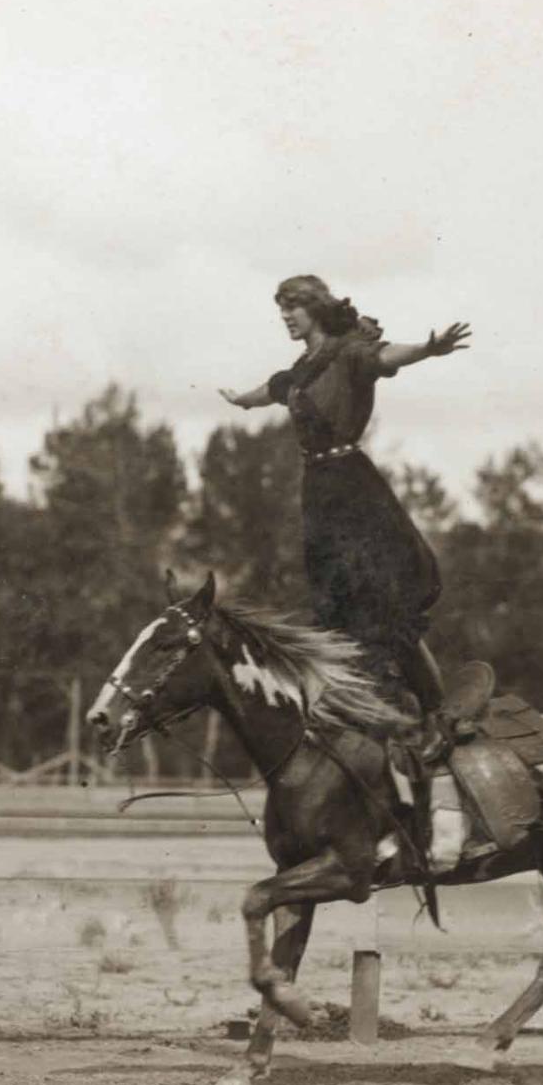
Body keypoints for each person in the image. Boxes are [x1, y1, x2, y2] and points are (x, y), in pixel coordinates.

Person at [219, 274, 471, 759]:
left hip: (355, 489)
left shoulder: (348, 353)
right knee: (336, 612)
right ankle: (354, 715)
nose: (287, 318)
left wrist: (429, 348)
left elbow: (384, 358)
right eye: (282, 311)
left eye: (293, 309)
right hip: (319, 492)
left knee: (386, 610)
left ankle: (439, 714)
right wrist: (240, 401)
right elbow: (271, 391)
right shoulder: (302, 368)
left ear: (315, 308)